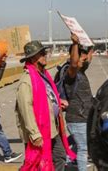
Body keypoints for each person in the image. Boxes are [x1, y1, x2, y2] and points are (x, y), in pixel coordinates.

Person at [15, 41, 75, 171]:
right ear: (32, 58)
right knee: (36, 164)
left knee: (59, 156)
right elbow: (26, 110)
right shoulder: (27, 81)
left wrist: (58, 102)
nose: (45, 55)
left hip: (51, 128)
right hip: (39, 132)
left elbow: (48, 96)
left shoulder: (43, 75)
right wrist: (35, 134)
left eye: (44, 53)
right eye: (41, 54)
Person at [61, 34, 93, 171]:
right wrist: (75, 44)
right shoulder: (71, 72)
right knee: (83, 148)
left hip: (84, 117)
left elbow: (89, 57)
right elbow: (74, 62)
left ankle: (64, 152)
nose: (85, 58)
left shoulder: (81, 70)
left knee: (81, 144)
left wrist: (89, 44)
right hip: (77, 117)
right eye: (82, 56)